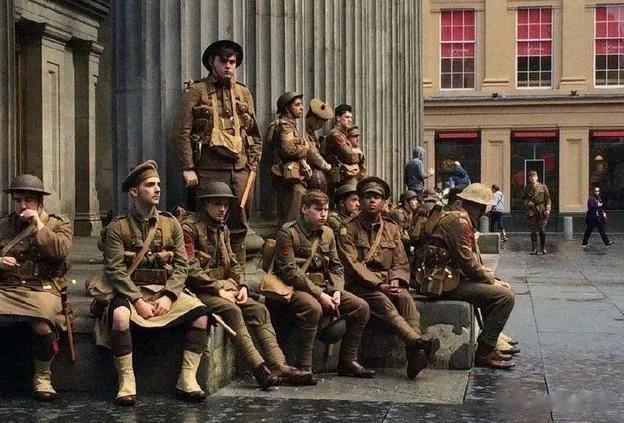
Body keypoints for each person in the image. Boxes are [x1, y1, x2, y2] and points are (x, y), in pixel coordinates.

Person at [95, 160, 209, 406]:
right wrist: (137, 300)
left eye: (158, 184)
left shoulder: (171, 224)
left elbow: (183, 265)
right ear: (134, 192)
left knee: (201, 315)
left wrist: (169, 295)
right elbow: (114, 269)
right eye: (149, 185)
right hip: (130, 291)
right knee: (120, 317)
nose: (157, 189)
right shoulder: (118, 227)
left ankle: (187, 378)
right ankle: (127, 381)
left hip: (164, 292)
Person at [182, 182, 314, 388]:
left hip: (225, 288)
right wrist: (218, 289)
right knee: (232, 310)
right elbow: (190, 268)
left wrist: (242, 286)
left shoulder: (222, 228)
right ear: (205, 204)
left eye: (226, 205)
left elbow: (233, 262)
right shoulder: (189, 229)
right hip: (198, 290)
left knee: (259, 310)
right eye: (217, 204)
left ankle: (279, 365)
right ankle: (259, 369)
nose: (222, 209)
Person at [337, 176, 439, 380]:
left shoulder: (391, 229)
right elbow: (353, 264)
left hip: (387, 282)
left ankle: (416, 354)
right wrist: (379, 285)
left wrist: (396, 280)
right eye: (367, 197)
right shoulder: (348, 229)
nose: (372, 201)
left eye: (377, 197)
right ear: (361, 200)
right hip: (360, 285)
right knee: (383, 301)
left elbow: (401, 262)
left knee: (405, 298)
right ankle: (417, 342)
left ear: (384, 202)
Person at [171, 39, 262, 265]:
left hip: (240, 169)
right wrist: (188, 168)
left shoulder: (243, 92)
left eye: (232, 62)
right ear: (213, 62)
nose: (228, 66)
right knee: (206, 224)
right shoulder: (196, 91)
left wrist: (252, 165)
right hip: (209, 168)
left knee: (240, 222)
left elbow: (254, 133)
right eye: (223, 61)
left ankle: (237, 272)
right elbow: (182, 132)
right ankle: (207, 272)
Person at [274, 190, 374, 378]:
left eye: (326, 210)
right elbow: (290, 271)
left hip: (324, 287)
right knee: (313, 308)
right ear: (304, 209)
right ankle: (304, 366)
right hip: (295, 288)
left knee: (361, 307)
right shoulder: (288, 233)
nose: (323, 214)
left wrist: (336, 290)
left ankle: (348, 361)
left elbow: (336, 266)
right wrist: (319, 295)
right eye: (318, 209)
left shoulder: (327, 233)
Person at [419, 183, 516, 369]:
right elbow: (467, 262)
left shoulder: (456, 218)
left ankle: (490, 343)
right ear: (481, 207)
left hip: (447, 278)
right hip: (443, 283)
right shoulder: (459, 221)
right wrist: (491, 280)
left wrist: (490, 279)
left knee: (494, 291)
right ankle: (484, 352)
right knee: (505, 297)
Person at [0, 175, 72, 401]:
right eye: (18, 200)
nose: (23, 206)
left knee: (41, 321)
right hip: (8, 287)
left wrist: (39, 225)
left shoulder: (57, 224)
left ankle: (43, 376)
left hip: (42, 287)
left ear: (40, 202)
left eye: (28, 200)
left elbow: (61, 251)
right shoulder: (4, 225)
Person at [269, 91, 312, 225]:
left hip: (291, 173)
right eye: (297, 105)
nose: (302, 107)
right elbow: (289, 150)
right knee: (292, 212)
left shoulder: (290, 124)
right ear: (287, 108)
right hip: (287, 174)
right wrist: (306, 147)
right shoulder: (285, 125)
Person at [324, 104, 364, 196]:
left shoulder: (343, 134)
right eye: (347, 117)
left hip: (345, 174)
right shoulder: (335, 135)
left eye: (351, 117)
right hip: (339, 176)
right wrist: (357, 152)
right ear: (338, 118)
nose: (350, 120)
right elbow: (350, 157)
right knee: (350, 198)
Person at [304, 98, 333, 192]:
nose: (321, 126)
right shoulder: (302, 131)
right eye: (321, 123)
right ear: (313, 118)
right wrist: (326, 166)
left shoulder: (311, 132)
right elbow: (312, 153)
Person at [523, 170, 551, 254]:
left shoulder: (543, 187)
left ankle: (543, 248)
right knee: (533, 230)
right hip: (531, 210)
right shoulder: (527, 188)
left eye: (534, 176)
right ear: (529, 178)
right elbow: (523, 198)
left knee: (542, 229)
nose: (532, 178)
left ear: (537, 177)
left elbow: (548, 199)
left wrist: (547, 209)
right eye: (531, 177)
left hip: (541, 209)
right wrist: (527, 202)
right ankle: (534, 249)